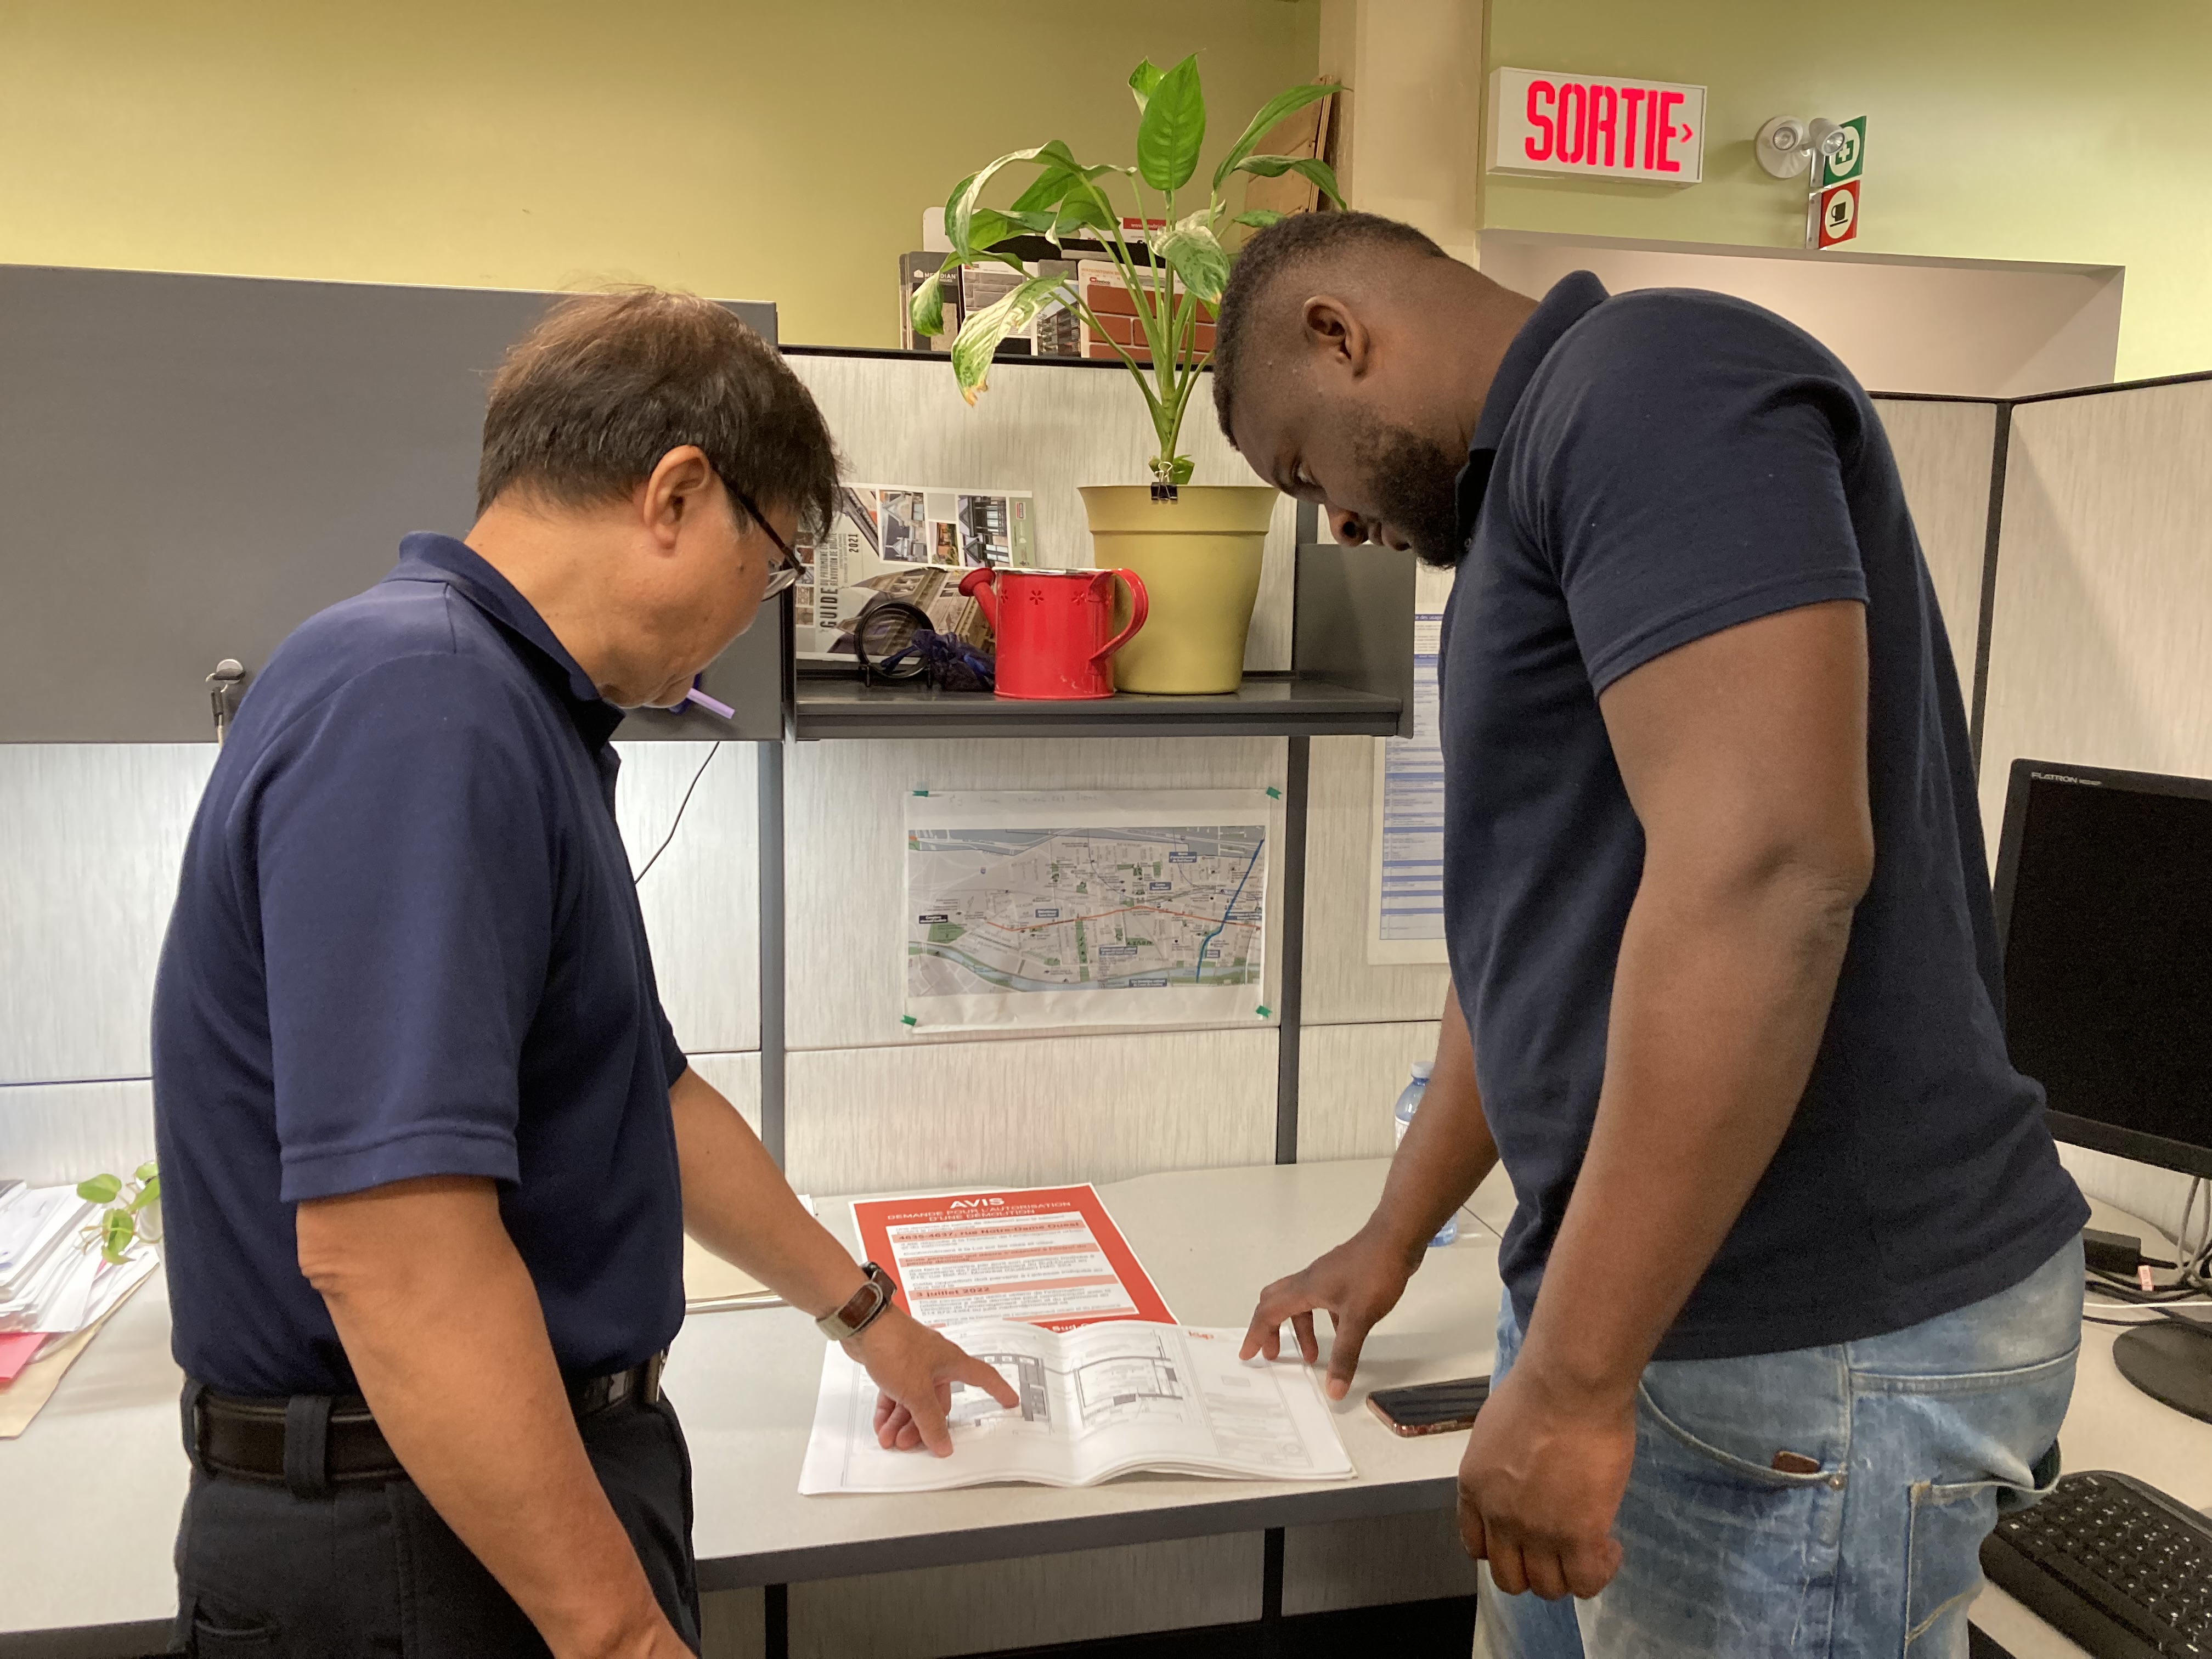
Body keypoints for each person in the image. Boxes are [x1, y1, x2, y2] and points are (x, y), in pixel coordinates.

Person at [1218, 213, 2089, 1657]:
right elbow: (1531, 943)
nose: (1337, 523)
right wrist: (1393, 1237)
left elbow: (1771, 869)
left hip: (1803, 1339)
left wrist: (1568, 1382)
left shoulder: (1649, 378)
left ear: (1338, 332)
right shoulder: (1537, 492)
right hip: (1645, 1320)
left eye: (1303, 465)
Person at [151, 289, 1017, 1659]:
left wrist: (869, 1320)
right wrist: (619, 1635)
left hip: (481, 1498)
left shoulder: (502, 702)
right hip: (418, 1540)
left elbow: (643, 1094)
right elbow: (393, 1254)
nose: (757, 616)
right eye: (780, 562)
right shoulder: (423, 707)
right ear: (678, 493)